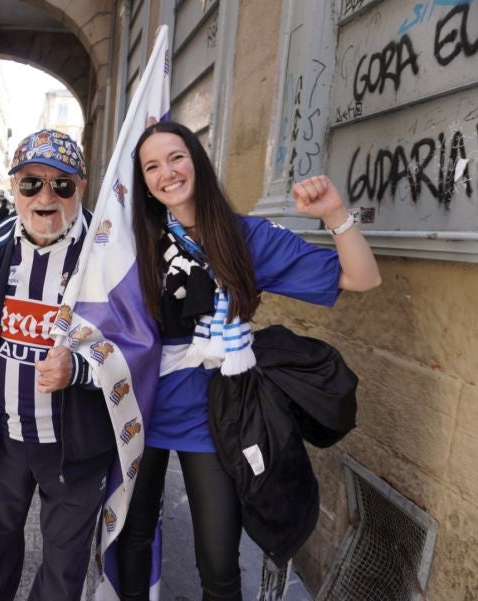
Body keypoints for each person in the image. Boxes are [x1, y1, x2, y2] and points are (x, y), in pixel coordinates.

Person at [115, 121, 381, 601]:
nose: (167, 173)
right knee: (132, 540)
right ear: (144, 183)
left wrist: (335, 213)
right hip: (139, 409)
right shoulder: (133, 244)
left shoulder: (246, 237)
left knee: (218, 564)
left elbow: (361, 279)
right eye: (151, 166)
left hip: (215, 417)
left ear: (197, 159)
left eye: (176, 157)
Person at [0, 129, 114, 601]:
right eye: (31, 183)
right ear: (14, 188)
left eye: (61, 185)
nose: (45, 197)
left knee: (63, 573)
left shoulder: (108, 254)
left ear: (81, 188)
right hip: (4, 439)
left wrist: (80, 370)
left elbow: (135, 343)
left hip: (76, 446)